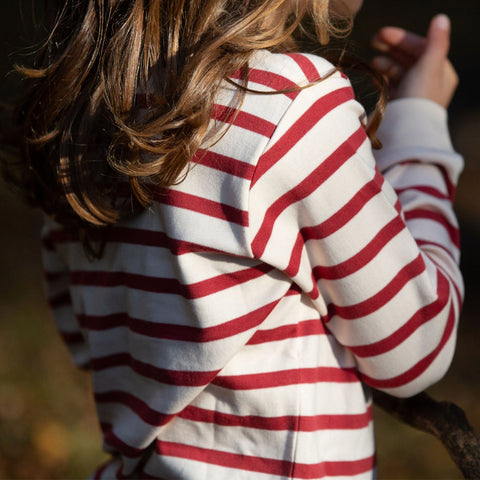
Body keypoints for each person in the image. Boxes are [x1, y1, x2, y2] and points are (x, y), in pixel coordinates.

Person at [7, 0, 463, 478]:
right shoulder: (289, 107)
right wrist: (420, 126)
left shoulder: (85, 120)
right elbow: (415, 347)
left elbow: (82, 335)